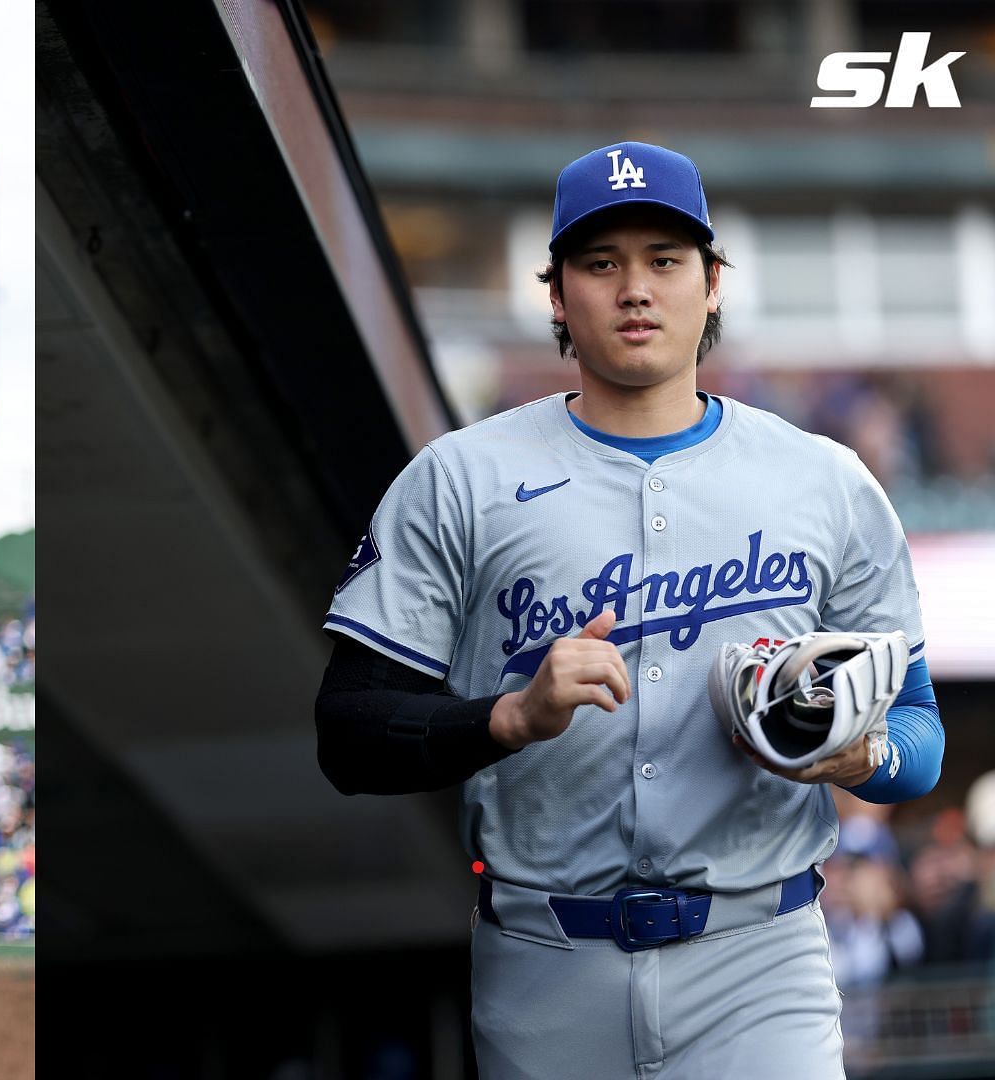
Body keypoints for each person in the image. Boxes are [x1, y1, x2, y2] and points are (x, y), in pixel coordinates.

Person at [315, 142, 943, 1077]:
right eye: (602, 264)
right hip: (542, 964)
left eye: (665, 260)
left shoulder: (825, 481)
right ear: (558, 297)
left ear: (713, 282)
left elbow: (918, 730)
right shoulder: (460, 479)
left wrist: (862, 756)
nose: (635, 289)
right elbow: (350, 734)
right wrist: (510, 716)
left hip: (759, 959)